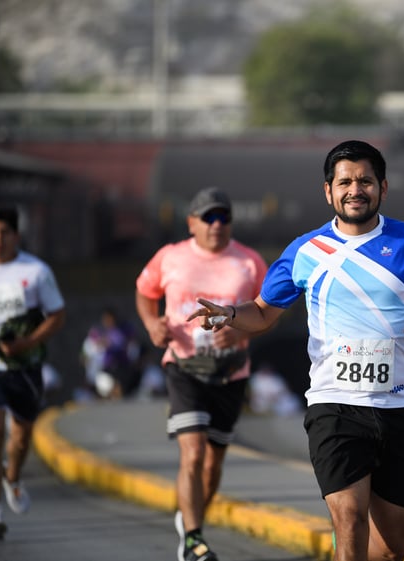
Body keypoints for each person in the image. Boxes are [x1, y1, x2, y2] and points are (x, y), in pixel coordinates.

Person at [187, 140, 404, 561]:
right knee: (350, 518)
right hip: (335, 405)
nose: (354, 190)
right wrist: (230, 314)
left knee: (393, 548)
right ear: (328, 191)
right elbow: (265, 312)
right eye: (345, 182)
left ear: (382, 187)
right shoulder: (305, 251)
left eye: (365, 181)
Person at [135, 186, 268, 561]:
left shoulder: (250, 262)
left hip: (230, 372)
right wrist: (151, 323)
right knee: (192, 454)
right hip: (184, 366)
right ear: (191, 222)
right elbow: (145, 291)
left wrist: (241, 328)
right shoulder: (170, 257)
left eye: (223, 217)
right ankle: (193, 539)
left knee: (212, 463)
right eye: (208, 217)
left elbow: (268, 312)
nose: (216, 224)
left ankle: (192, 521)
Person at [0, 206, 66, 541]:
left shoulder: (36, 272)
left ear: (16, 236)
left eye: (5, 232)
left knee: (20, 438)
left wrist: (29, 342)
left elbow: (57, 315)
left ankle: (13, 477)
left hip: (25, 367)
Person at [80, 306, 142, 399]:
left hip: (122, 366)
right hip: (106, 367)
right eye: (106, 318)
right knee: (102, 382)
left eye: (110, 318)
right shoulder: (97, 332)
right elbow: (87, 351)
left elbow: (128, 344)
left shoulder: (121, 331)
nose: (108, 321)